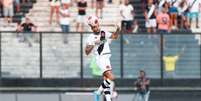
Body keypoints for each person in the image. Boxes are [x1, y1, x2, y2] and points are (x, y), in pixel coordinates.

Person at [85, 15, 120, 101]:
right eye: (93, 27)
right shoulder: (90, 38)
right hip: (101, 58)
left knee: (107, 81)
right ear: (91, 28)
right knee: (111, 77)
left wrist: (118, 30)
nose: (95, 28)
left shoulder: (103, 32)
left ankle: (107, 99)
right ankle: (98, 90)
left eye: (96, 26)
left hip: (107, 57)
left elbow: (115, 37)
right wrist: (93, 44)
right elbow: (86, 52)